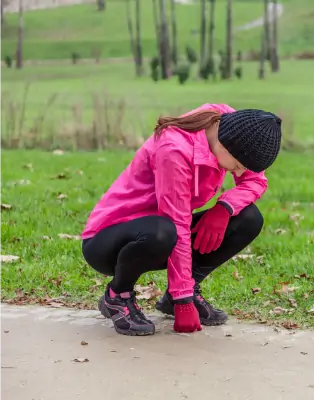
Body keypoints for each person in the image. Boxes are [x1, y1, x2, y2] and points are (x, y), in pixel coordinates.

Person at [80, 103, 282, 336]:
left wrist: (224, 208)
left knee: (248, 218)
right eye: (239, 165)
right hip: (109, 239)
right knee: (164, 232)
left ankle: (177, 295)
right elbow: (176, 222)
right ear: (227, 146)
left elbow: (255, 181)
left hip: (164, 229)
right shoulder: (174, 149)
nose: (239, 172)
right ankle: (118, 295)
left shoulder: (233, 126)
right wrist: (183, 299)